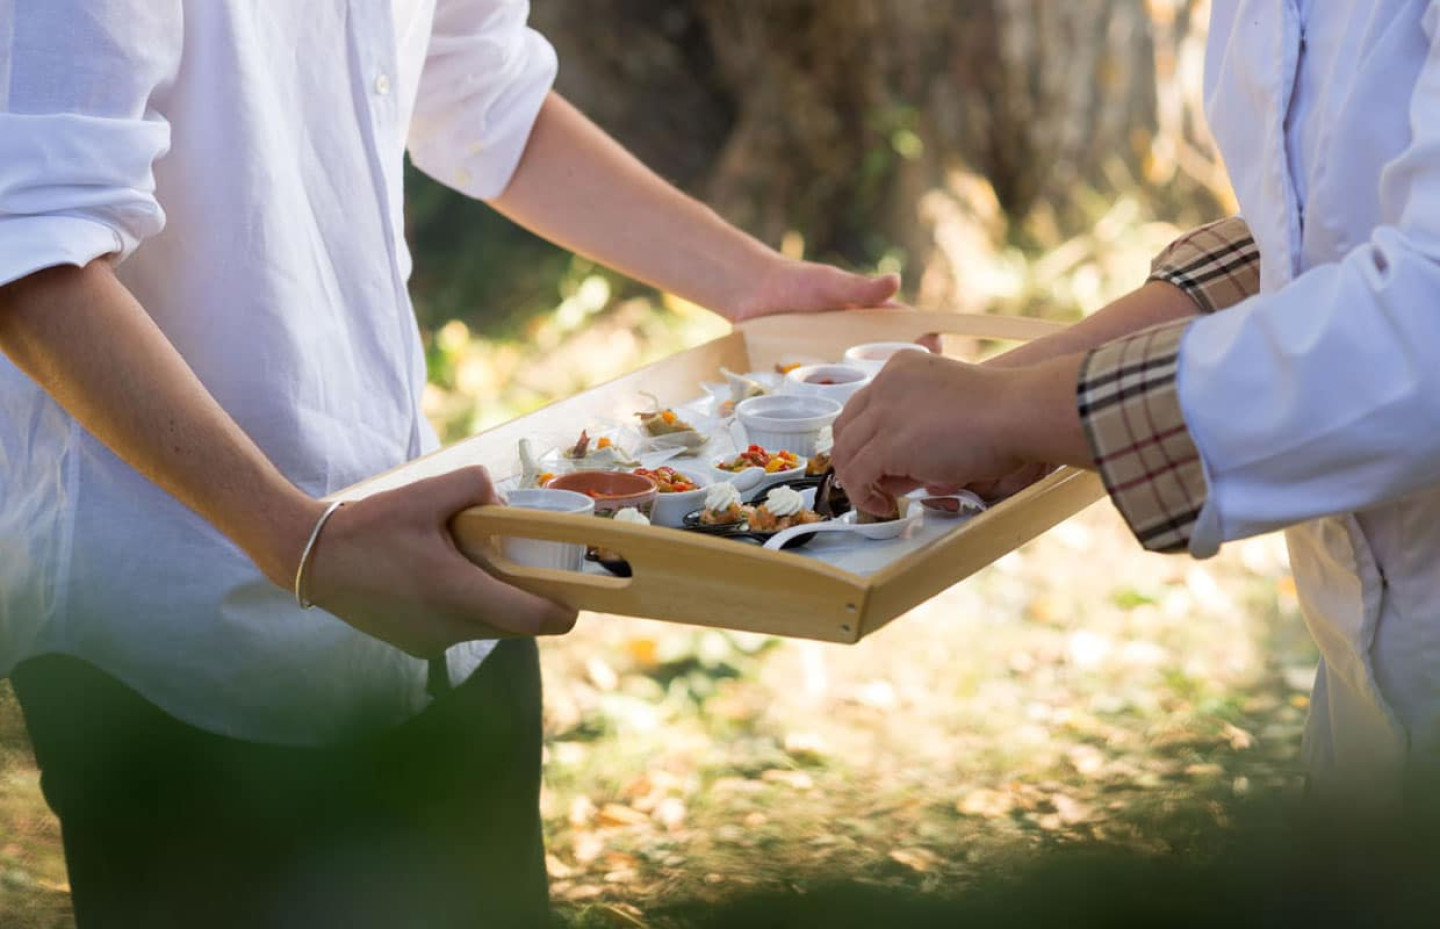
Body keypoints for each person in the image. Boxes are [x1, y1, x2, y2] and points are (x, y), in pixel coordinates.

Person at [0, 1, 898, 925]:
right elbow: (29, 253)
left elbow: (478, 83)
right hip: (183, 652)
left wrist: (754, 285)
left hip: (439, 592)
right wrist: (297, 539)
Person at [833, 0, 1440, 810]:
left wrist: (1022, 408)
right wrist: (1018, 380)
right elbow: (1318, 238)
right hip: (1366, 717)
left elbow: (1421, 328)